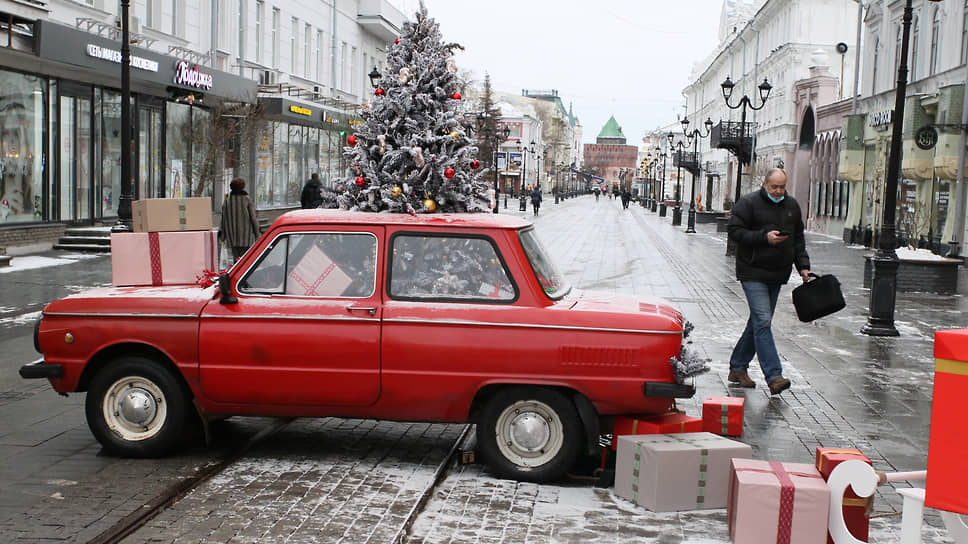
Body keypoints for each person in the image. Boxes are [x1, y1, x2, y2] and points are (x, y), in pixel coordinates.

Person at [726, 168, 810, 395]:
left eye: (782, 186)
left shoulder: (791, 206)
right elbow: (734, 231)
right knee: (763, 322)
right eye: (774, 186)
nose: (779, 191)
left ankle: (737, 367)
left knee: (757, 323)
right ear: (765, 184)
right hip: (752, 271)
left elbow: (798, 240)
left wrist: (803, 266)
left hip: (778, 273)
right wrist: (764, 237)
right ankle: (774, 376)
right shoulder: (749, 203)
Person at [219, 178, 261, 262]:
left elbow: (223, 219)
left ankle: (237, 274)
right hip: (246, 237)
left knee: (236, 260)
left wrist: (222, 236)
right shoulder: (247, 199)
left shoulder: (227, 201)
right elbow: (253, 218)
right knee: (246, 260)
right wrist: (257, 233)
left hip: (232, 237)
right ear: (243, 187)